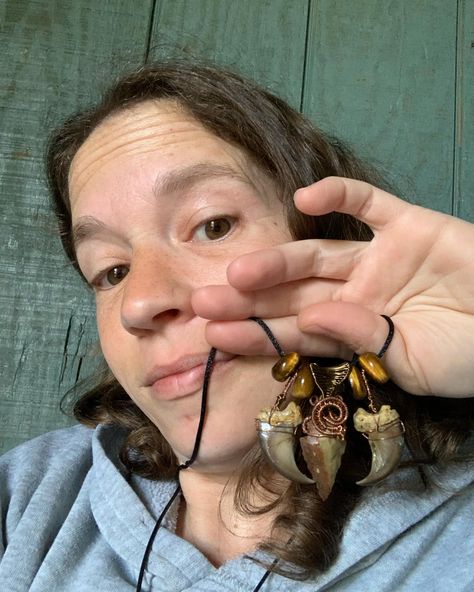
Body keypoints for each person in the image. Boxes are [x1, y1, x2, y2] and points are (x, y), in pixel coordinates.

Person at [1, 62, 473, 592]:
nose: (140, 302)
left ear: (326, 235)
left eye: (213, 225)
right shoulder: (25, 498)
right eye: (111, 271)